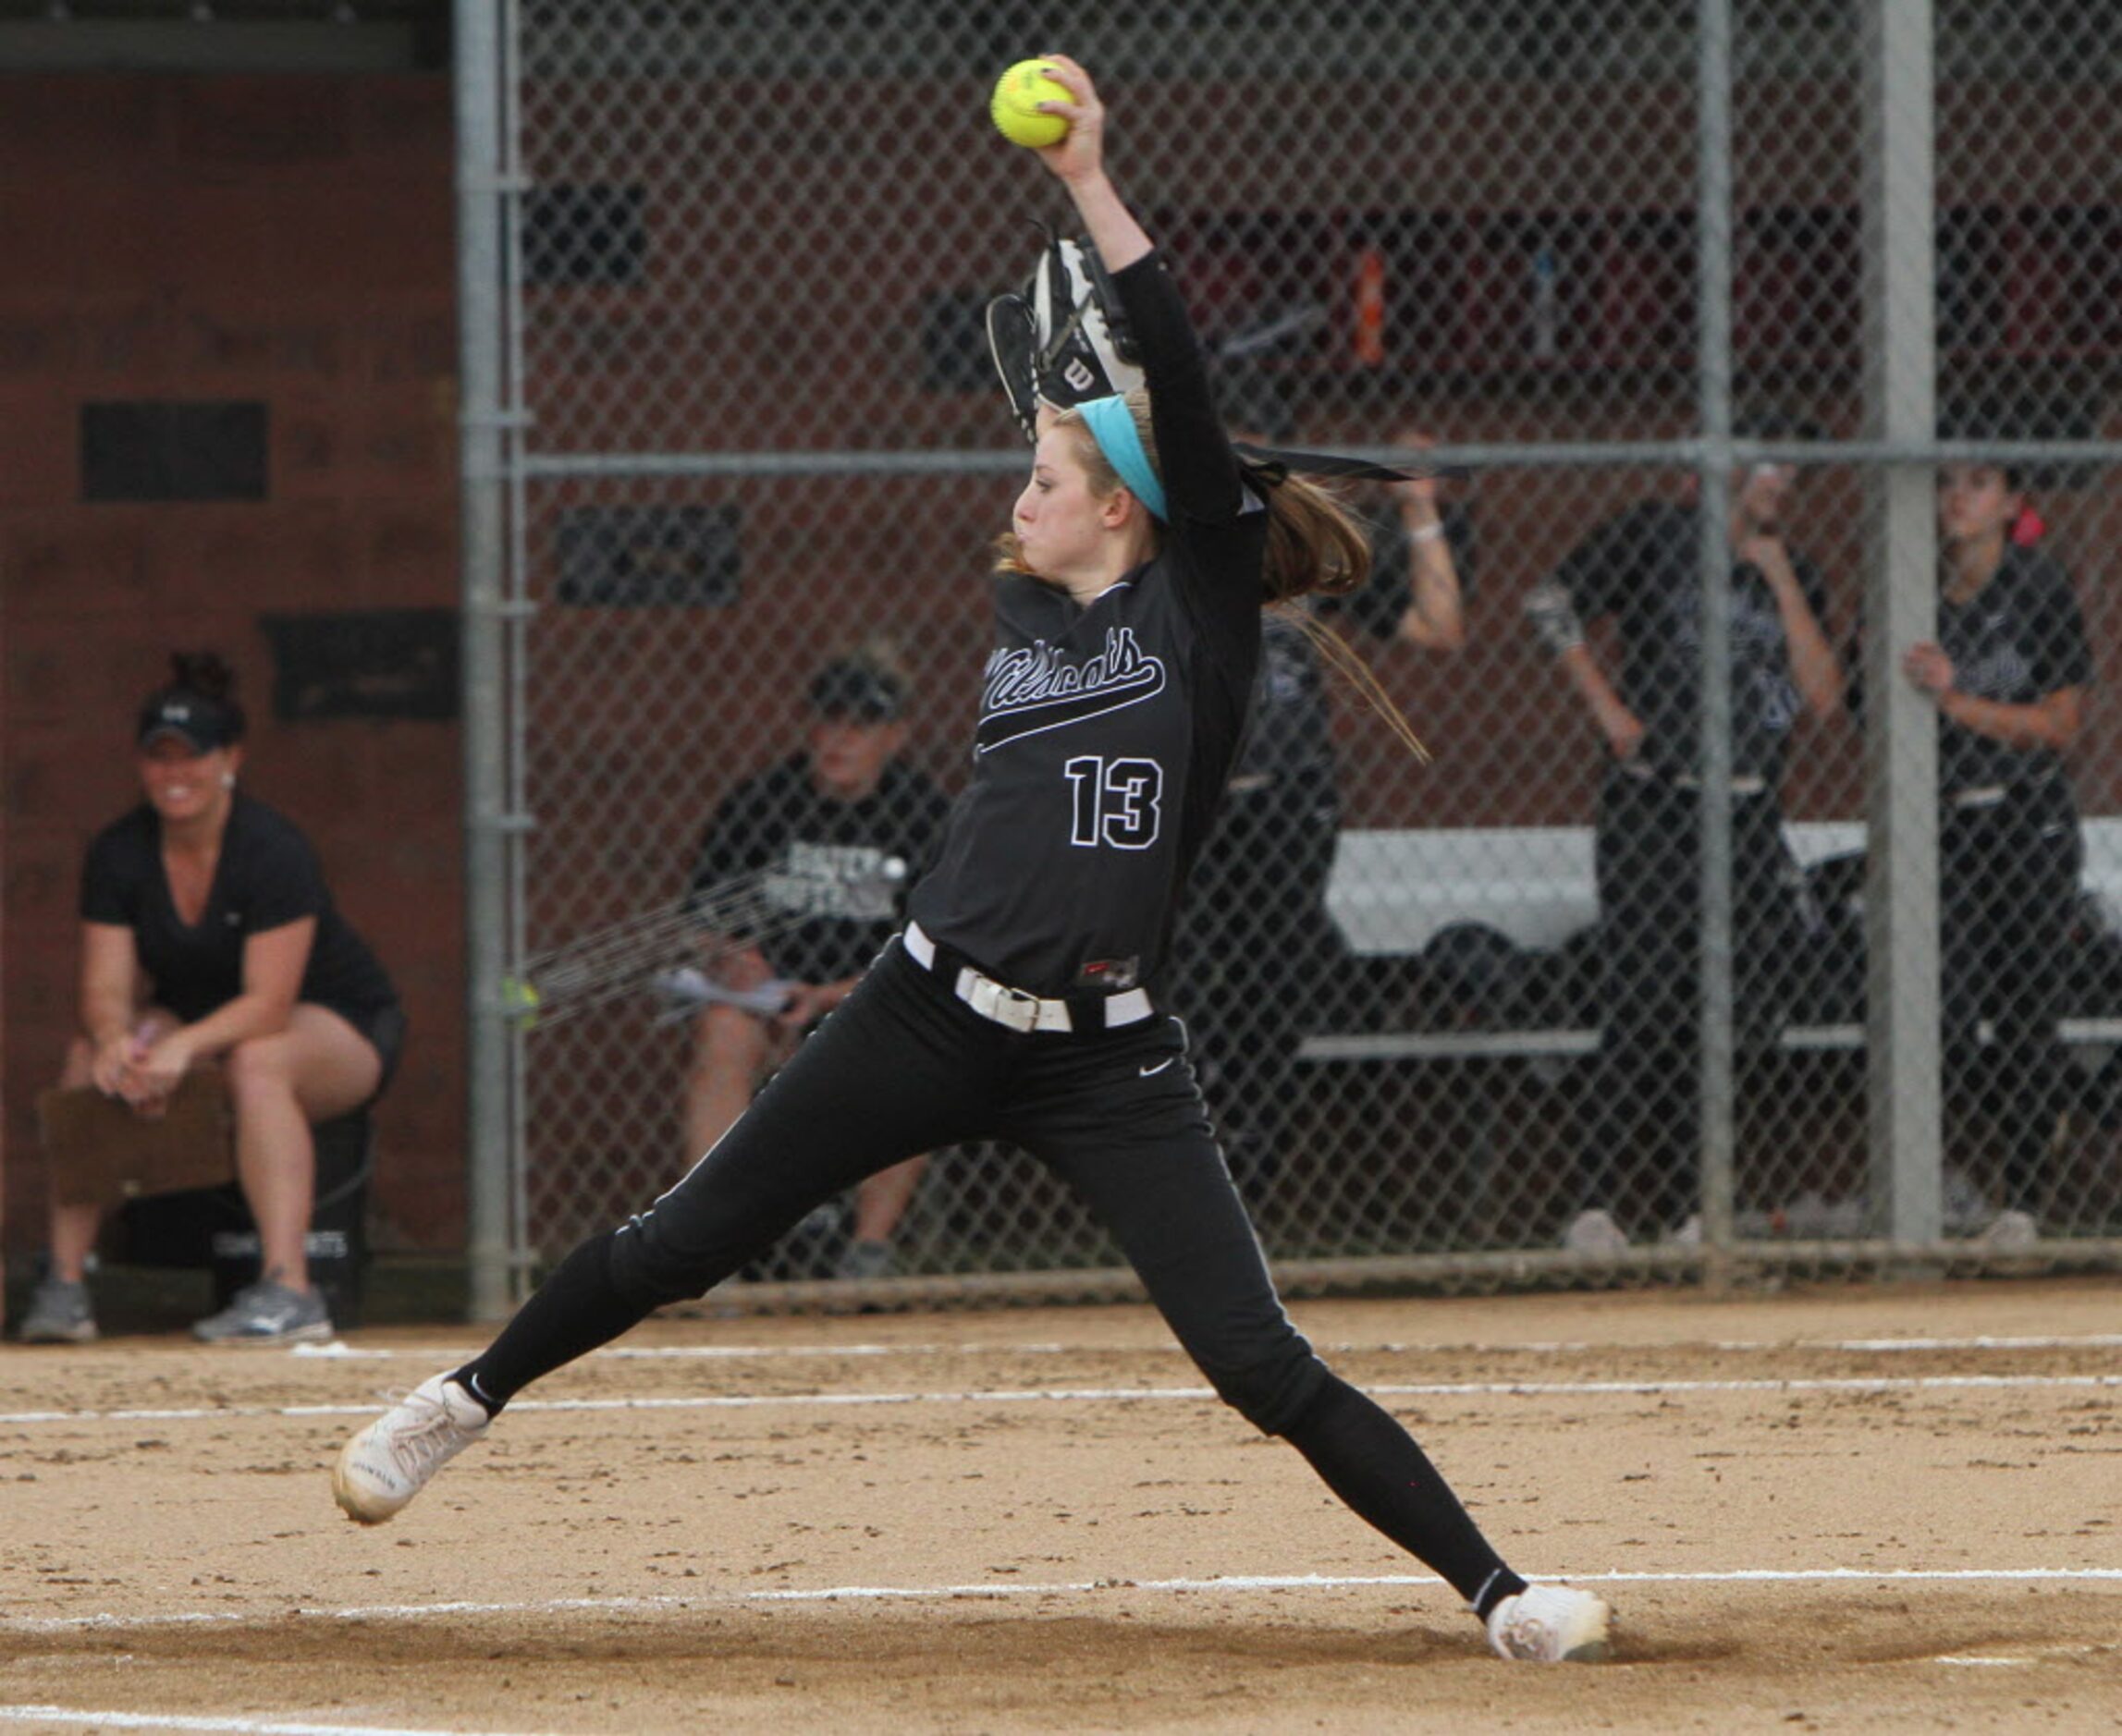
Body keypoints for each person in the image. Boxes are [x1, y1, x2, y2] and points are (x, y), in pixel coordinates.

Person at [332, 59, 1611, 1665]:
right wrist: (1078, 406)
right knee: (679, 1244)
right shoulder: (1035, 604)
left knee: (1257, 1360)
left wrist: (1089, 188)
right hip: (922, 1016)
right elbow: (1098, 446)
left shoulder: (1195, 619)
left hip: (1110, 1059)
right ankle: (460, 1398)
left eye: (1052, 480)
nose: (1023, 497)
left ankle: (1502, 1593)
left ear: (1133, 515)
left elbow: (1190, 418)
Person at [18, 652, 404, 1346]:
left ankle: (292, 1291)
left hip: (334, 1023)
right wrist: (117, 1042)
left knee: (258, 1061)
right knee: (90, 1059)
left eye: (191, 757)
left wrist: (180, 1048)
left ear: (230, 757)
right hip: (199, 1023)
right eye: (158, 758)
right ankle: (66, 1285)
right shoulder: (119, 852)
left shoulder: (270, 849)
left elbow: (268, 1004)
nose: (175, 775)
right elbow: (104, 988)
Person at [1524, 436, 1844, 1252]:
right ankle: (1594, 1204)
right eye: (1769, 466)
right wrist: (1607, 711)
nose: (1781, 485)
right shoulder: (1656, 531)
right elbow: (1549, 604)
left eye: (1790, 473)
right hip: (1655, 802)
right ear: (1728, 467)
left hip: (1745, 810)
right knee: (1644, 996)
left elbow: (1823, 697)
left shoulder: (1793, 570)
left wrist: (1774, 576)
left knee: (1740, 1004)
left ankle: (1693, 1207)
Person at [678, 651, 951, 1280]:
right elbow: (704, 920)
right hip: (768, 1001)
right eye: (829, 722)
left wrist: (829, 996)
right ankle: (705, 1241)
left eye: (860, 725)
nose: (840, 739)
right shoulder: (761, 802)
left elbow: (936, 947)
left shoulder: (923, 813)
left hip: (872, 1001)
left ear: (894, 736)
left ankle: (868, 1251)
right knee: (722, 1028)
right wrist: (734, 960)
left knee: (919, 1050)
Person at [1900, 460, 2091, 1247]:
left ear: (2010, 503)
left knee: (2027, 1010)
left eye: (1978, 485)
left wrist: (1953, 701)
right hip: (1942, 824)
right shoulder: (1910, 589)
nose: (1957, 498)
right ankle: (1936, 1183)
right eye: (1949, 483)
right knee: (1937, 1009)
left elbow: (2057, 724)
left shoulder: (2036, 587)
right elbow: (1858, 705)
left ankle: (2022, 1202)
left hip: (2025, 820)